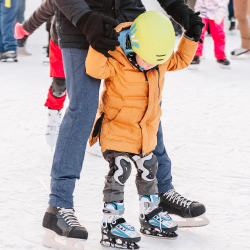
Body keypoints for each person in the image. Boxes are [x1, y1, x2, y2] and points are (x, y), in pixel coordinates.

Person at [33, 0, 206, 249]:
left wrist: (177, 8)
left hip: (131, 22)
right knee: (83, 107)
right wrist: (84, 18)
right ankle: (58, 205)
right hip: (81, 21)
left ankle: (161, 192)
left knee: (145, 98)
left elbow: (178, 60)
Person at [86, 11, 199, 248]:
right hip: (117, 130)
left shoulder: (157, 58)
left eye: (157, 61)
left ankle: (150, 214)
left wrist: (191, 37)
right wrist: (98, 44)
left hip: (145, 134)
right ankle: (111, 222)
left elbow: (180, 60)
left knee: (149, 171)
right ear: (133, 44)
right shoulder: (116, 58)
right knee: (120, 171)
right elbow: (95, 70)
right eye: (146, 59)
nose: (151, 65)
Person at [14, 0, 66, 150]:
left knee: (89, 90)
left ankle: (92, 130)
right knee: (59, 85)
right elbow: (49, 5)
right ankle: (54, 118)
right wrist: (25, 29)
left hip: (93, 40)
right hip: (62, 38)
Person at [189, 0, 230, 69]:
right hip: (201, 11)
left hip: (217, 12)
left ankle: (220, 56)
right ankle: (195, 55)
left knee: (219, 35)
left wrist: (221, 10)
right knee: (198, 33)